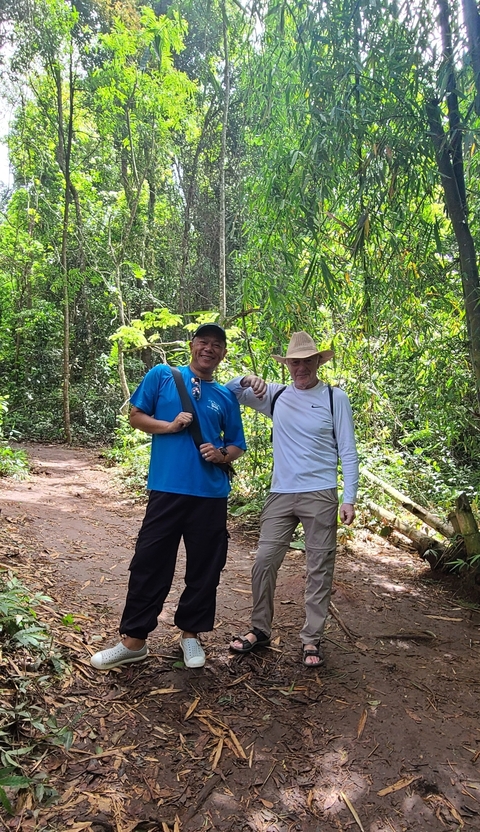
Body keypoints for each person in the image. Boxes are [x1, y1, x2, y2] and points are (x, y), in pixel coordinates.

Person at [90, 323, 246, 671]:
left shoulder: (224, 396)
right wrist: (170, 426)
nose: (209, 349)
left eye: (216, 345)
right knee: (150, 561)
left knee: (206, 567)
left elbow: (236, 444)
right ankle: (133, 641)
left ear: (222, 353)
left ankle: (191, 636)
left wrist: (222, 455)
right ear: (193, 345)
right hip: (167, 489)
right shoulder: (163, 375)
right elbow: (136, 416)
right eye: (203, 342)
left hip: (210, 495)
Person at [227, 331, 358, 667]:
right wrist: (245, 377)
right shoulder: (276, 395)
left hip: (320, 492)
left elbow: (348, 450)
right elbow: (229, 393)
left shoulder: (333, 397)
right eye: (295, 362)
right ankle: (260, 628)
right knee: (264, 561)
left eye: (307, 361)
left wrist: (349, 497)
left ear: (318, 362)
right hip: (280, 493)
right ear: (287, 365)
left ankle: (311, 639)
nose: (301, 368)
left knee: (319, 568)